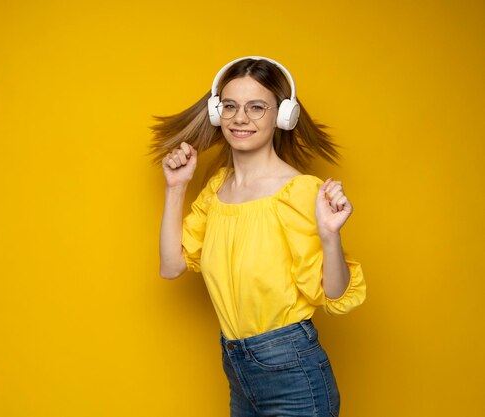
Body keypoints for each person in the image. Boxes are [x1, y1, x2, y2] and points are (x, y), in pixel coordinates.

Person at [151, 56, 366, 417]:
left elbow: (334, 294)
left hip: (292, 370)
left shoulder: (299, 192)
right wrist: (176, 187)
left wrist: (331, 237)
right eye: (231, 106)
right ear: (218, 113)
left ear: (283, 116)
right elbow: (171, 266)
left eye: (256, 107)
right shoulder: (217, 189)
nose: (240, 118)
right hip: (238, 366)